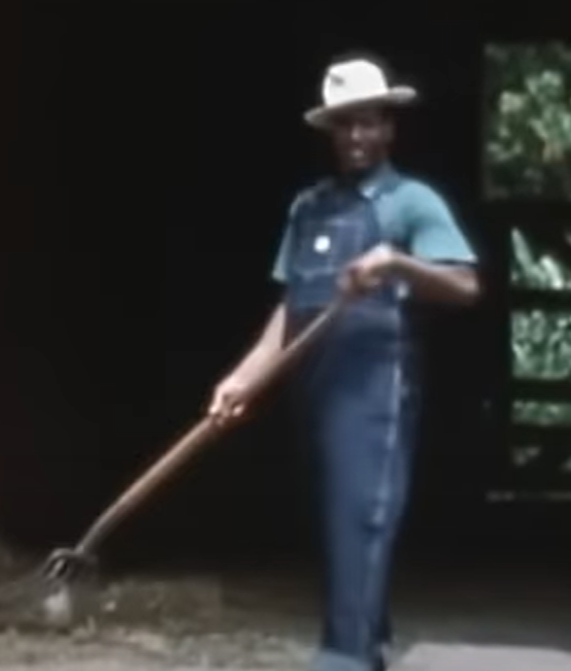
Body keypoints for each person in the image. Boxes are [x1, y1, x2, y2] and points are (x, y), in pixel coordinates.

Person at [208, 52, 481, 671]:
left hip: (375, 391)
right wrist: (244, 378)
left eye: (368, 122)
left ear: (389, 126)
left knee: (361, 518)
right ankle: (371, 646)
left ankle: (345, 657)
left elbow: (465, 286)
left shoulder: (412, 203)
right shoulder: (309, 208)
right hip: (316, 392)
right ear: (329, 131)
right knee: (338, 525)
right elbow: (292, 309)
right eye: (344, 124)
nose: (357, 136)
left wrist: (397, 264)